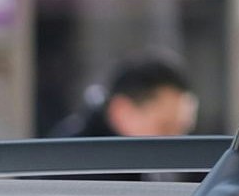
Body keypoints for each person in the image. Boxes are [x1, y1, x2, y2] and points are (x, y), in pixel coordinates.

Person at [54, 54, 199, 139]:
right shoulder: (74, 165)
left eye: (183, 130)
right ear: (121, 111)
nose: (177, 140)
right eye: (165, 128)